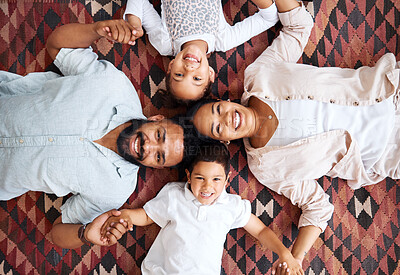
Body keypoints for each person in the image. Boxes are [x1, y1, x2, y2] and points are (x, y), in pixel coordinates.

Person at [187, 0, 400, 268]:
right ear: (224, 140)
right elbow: (317, 207)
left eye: (218, 108)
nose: (227, 117)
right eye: (218, 127)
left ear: (226, 101)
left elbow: (297, 27)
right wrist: (295, 259)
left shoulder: (259, 74)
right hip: (389, 151)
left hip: (390, 91)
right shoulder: (266, 167)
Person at [0, 19, 201, 249]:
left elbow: (57, 232)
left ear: (157, 167)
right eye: (159, 136)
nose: (149, 147)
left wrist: (86, 234)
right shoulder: (114, 85)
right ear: (156, 119)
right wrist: (95, 30)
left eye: (159, 157)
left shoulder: (114, 191)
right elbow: (56, 45)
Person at [101, 143, 304, 275]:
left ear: (227, 180)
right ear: (188, 177)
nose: (207, 187)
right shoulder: (175, 196)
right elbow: (146, 216)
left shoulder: (232, 206)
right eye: (200, 178)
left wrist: (284, 253)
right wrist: (127, 215)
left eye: (216, 179)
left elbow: (260, 231)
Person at [121, 0, 279, 106]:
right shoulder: (223, 39)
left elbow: (139, 3)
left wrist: (134, 22)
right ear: (210, 74)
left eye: (179, 75)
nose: (188, 69)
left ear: (170, 66)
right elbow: (269, 18)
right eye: (197, 78)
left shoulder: (164, 43)